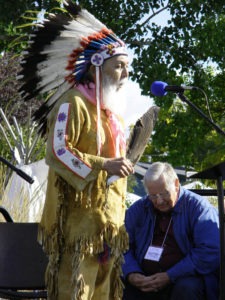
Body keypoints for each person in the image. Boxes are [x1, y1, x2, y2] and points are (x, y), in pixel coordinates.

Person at [18, 1, 134, 299]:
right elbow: (57, 151)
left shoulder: (114, 116)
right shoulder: (73, 103)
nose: (126, 73)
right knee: (75, 288)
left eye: (128, 67)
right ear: (97, 64)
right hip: (76, 221)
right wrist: (104, 165)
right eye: (119, 65)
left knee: (103, 291)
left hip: (108, 222)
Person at [122, 162, 220, 300]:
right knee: (121, 287)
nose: (160, 201)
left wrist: (170, 275)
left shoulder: (199, 208)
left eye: (164, 193)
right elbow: (120, 245)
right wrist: (132, 273)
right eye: (153, 196)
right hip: (145, 278)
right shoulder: (139, 209)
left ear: (176, 183)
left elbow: (211, 250)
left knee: (187, 288)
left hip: (183, 278)